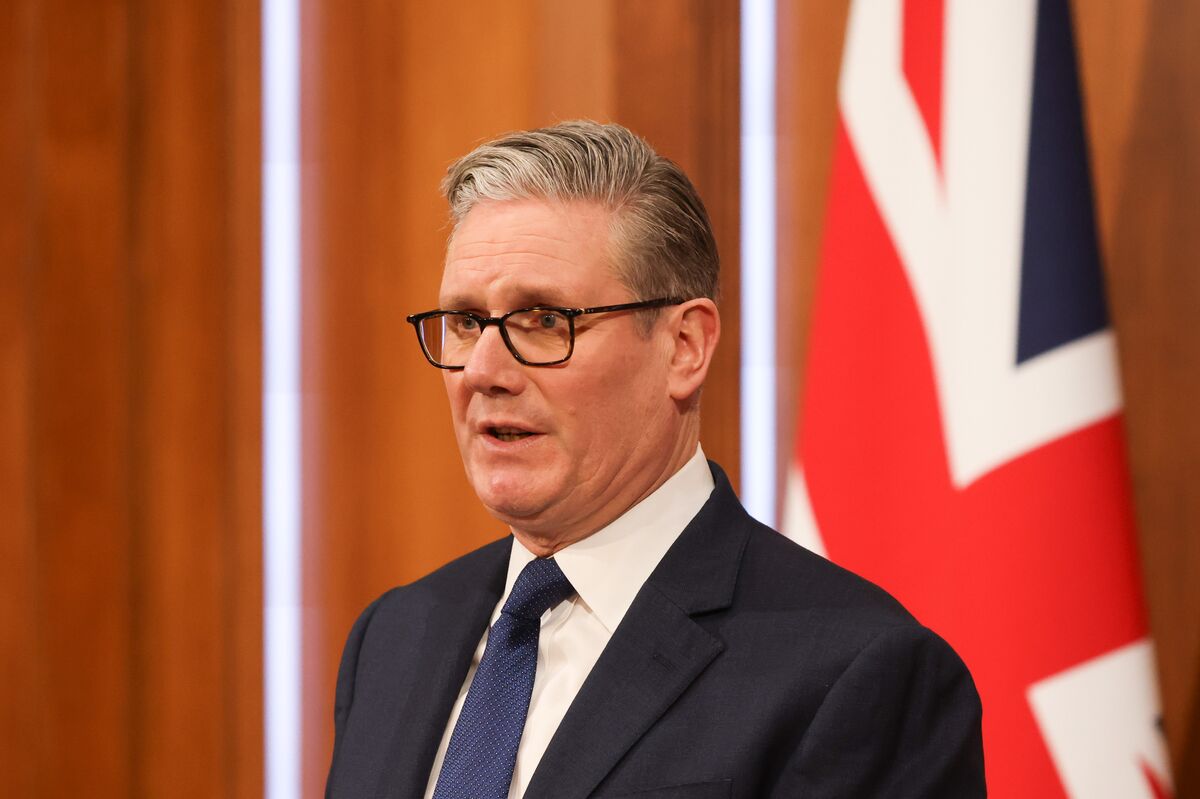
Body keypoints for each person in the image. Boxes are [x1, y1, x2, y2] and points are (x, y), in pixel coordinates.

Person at [324, 121, 985, 799]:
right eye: (467, 322)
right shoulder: (393, 639)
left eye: (546, 320)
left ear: (684, 347)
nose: (484, 371)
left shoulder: (856, 674)